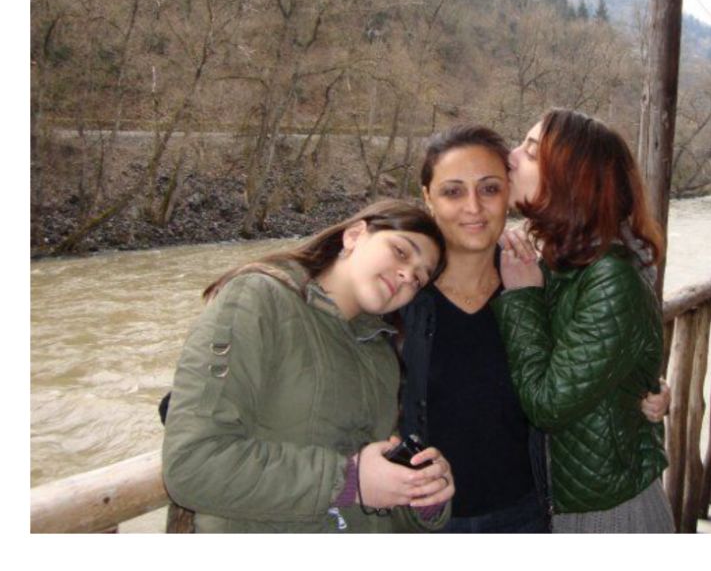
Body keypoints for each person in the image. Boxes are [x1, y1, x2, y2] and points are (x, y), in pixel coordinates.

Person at [396, 124, 670, 534]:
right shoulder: (399, 291)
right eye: (452, 191)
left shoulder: (542, 279)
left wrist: (644, 388)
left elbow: (565, 383)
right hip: (424, 517)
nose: (473, 206)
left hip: (540, 512)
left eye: (490, 188)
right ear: (427, 197)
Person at [162, 199, 455, 533]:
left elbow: (371, 495)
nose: (406, 275)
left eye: (419, 278)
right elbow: (191, 465)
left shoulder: (382, 355)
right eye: (401, 252)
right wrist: (347, 481)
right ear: (354, 236)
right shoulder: (257, 299)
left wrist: (419, 493)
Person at [494, 109, 676, 533]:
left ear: (571, 180)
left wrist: (522, 297)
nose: (511, 156)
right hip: (564, 497)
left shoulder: (609, 275)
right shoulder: (562, 259)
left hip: (606, 512)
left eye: (531, 152)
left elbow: (548, 404)